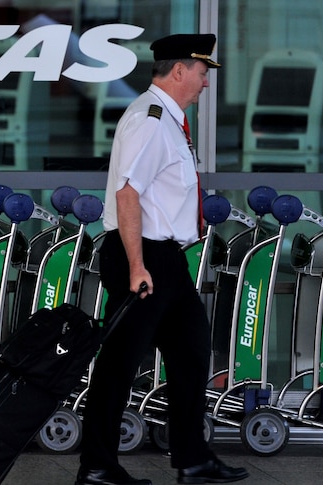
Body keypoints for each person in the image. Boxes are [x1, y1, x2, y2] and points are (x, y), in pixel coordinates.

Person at [76, 34, 250, 485]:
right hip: (143, 256)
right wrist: (137, 266)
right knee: (120, 364)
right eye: (202, 72)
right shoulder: (151, 120)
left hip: (165, 258)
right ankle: (97, 465)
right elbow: (127, 194)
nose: (205, 83)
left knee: (192, 355)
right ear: (179, 71)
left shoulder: (166, 119)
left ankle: (192, 459)